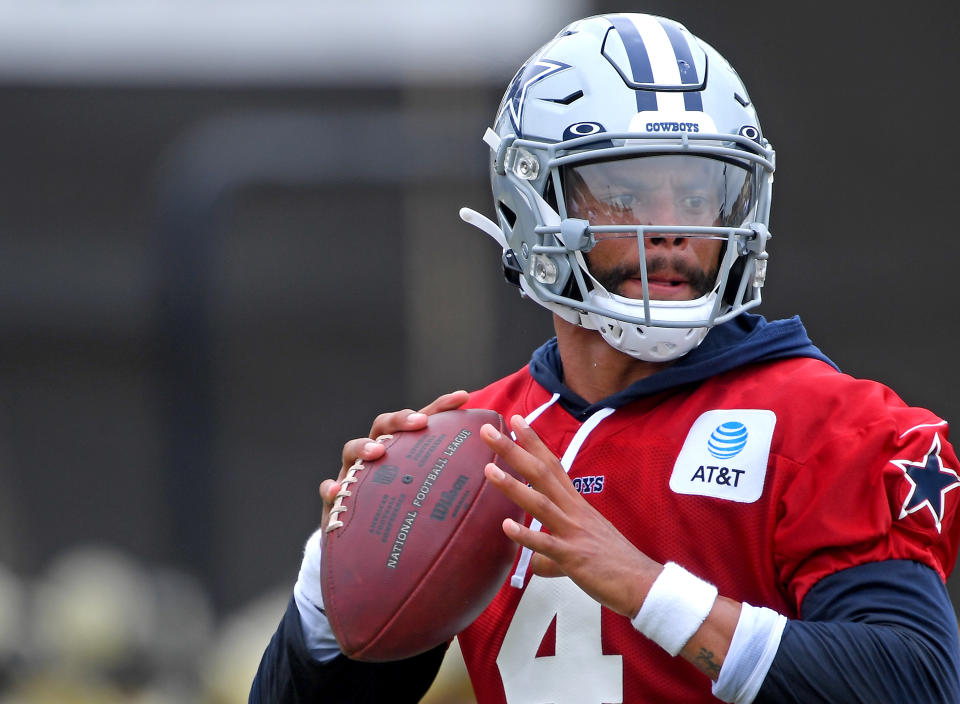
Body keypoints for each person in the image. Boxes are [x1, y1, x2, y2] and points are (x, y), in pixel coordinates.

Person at [250, 12, 960, 703]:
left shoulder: (834, 426)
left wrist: (648, 589)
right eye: (625, 195)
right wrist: (332, 582)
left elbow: (917, 681)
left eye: (696, 192)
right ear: (532, 202)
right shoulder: (483, 447)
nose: (674, 228)